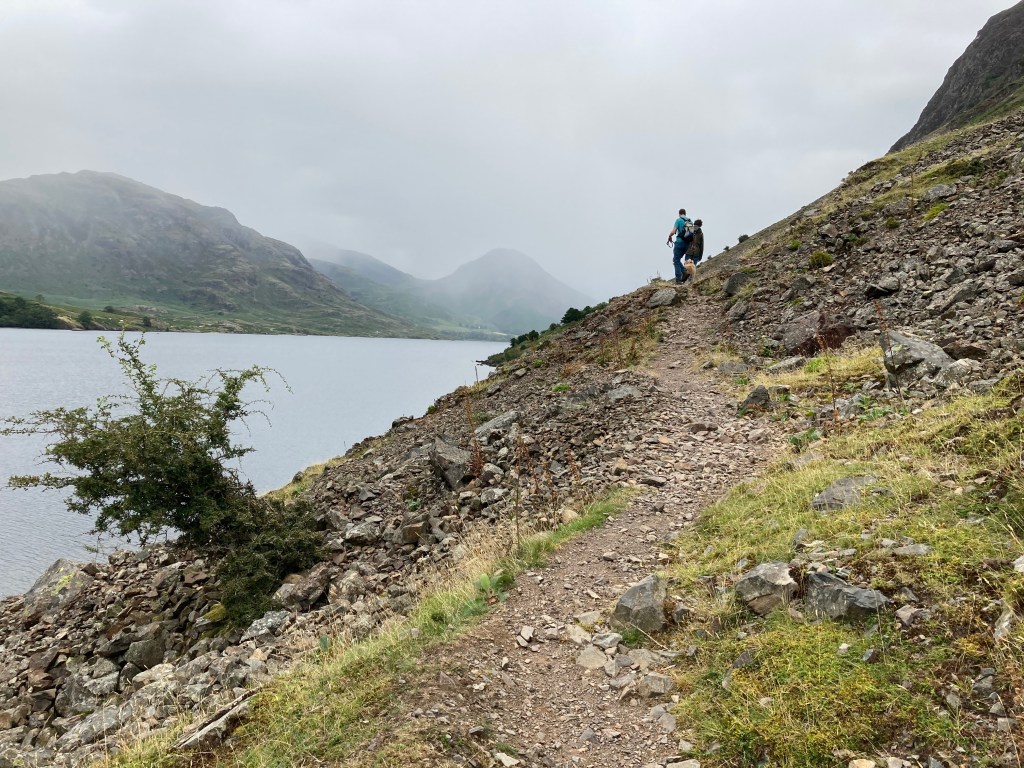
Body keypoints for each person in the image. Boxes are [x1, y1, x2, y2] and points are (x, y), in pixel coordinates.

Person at [666, 208, 692, 284]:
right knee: (677, 259)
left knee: (676, 260)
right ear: (685, 213)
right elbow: (692, 234)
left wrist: (669, 236)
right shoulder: (690, 221)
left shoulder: (679, 220)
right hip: (687, 244)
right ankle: (684, 272)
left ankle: (678, 279)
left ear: (679, 214)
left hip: (679, 242)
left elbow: (673, 231)